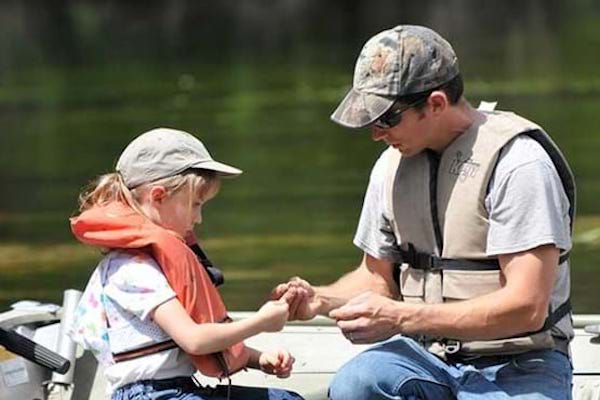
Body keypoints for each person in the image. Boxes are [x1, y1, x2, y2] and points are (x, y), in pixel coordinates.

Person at [272, 25, 575, 399]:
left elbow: (526, 307)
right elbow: (376, 278)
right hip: (425, 355)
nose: (377, 133)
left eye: (386, 118)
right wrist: (321, 300)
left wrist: (402, 317)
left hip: (520, 362)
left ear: (435, 103)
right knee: (357, 383)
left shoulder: (519, 164)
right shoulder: (390, 166)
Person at [69, 128, 304, 400]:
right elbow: (193, 339)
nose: (199, 218)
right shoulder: (132, 269)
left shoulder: (156, 261)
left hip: (177, 389)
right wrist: (260, 322)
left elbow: (193, 343)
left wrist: (258, 358)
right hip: (150, 395)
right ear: (158, 196)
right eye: (195, 204)